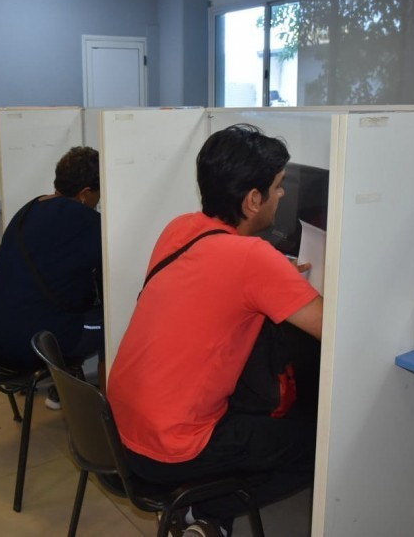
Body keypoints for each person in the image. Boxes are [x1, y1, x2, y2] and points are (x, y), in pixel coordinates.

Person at [107, 124, 324, 537]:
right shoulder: (253, 258)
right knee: (319, 444)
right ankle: (201, 510)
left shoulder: (179, 229)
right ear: (253, 200)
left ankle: (208, 518)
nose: (282, 195)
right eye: (278, 186)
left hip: (117, 428)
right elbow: (334, 330)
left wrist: (279, 280)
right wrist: (277, 279)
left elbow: (214, 284)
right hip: (169, 448)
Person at [0, 146, 104, 410]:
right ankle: (102, 407)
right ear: (85, 193)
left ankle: (63, 386)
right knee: (114, 320)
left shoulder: (28, 209)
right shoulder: (85, 221)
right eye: (98, 193)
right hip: (30, 344)